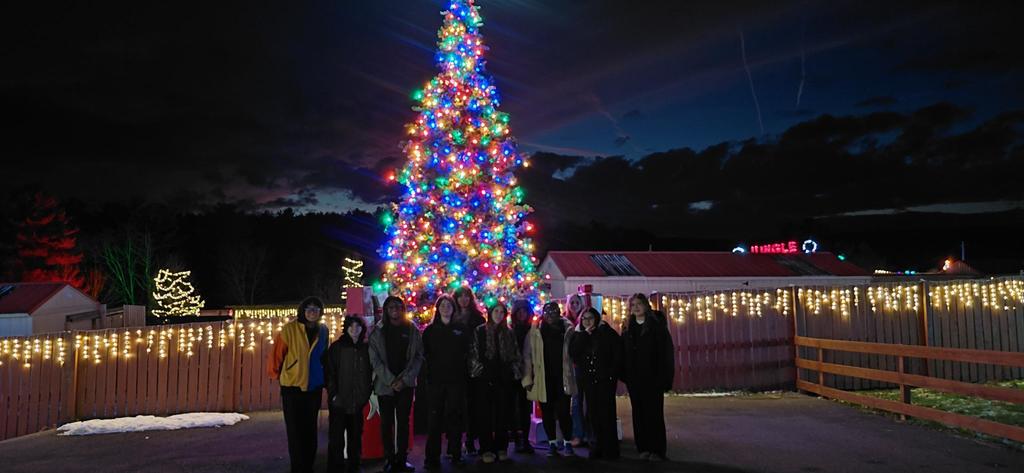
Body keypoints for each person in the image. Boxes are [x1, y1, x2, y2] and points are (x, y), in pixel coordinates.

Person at [268, 296, 330, 473]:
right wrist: (276, 374)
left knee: (310, 429)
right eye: (308, 308)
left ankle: (309, 466)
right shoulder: (289, 329)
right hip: (292, 388)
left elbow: (324, 357)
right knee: (295, 431)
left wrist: (324, 378)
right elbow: (277, 354)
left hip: (313, 387)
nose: (312, 312)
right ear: (302, 311)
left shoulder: (323, 331)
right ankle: (298, 467)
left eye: (316, 309)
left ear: (320, 312)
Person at [368, 296, 424, 473]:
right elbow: (374, 359)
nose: (395, 310)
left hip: (406, 385)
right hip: (385, 385)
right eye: (391, 307)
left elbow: (418, 357)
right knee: (386, 423)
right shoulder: (378, 332)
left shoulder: (412, 329)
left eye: (399, 307)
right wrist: (391, 380)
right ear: (385, 310)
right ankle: (389, 458)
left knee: (403, 422)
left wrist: (404, 380)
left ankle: (401, 459)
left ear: (403, 309)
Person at [621, 293, 674, 462]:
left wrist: (665, 377)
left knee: (654, 414)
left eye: (639, 304)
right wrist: (626, 374)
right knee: (639, 413)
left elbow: (666, 353)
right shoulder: (628, 327)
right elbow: (623, 352)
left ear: (646, 306)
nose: (636, 307)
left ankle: (657, 450)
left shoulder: (656, 326)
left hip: (653, 378)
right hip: (635, 379)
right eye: (633, 305)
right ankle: (643, 448)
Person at [468, 302, 522, 464]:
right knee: (485, 415)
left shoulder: (509, 332)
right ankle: (486, 449)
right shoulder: (480, 331)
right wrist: (480, 371)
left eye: (501, 312)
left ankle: (501, 447)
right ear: (490, 313)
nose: (498, 314)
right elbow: (474, 354)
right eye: (496, 311)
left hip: (504, 379)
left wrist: (514, 371)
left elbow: (515, 354)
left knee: (503, 415)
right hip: (485, 379)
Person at [421, 295, 471, 470]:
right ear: (437, 308)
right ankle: (431, 457)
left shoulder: (462, 330)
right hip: (436, 382)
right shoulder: (429, 331)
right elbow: (424, 355)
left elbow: (468, 353)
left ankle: (456, 454)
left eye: (448, 305)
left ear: (453, 308)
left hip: (456, 381)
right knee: (434, 419)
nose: (445, 308)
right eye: (442, 305)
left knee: (455, 418)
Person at [520, 301, 575, 457]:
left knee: (564, 411)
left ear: (559, 314)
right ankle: (552, 443)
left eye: (554, 312)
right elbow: (527, 355)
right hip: (543, 378)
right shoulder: (535, 331)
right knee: (547, 412)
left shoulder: (567, 330)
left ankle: (567, 442)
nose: (551, 316)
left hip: (563, 376)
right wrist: (527, 379)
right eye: (548, 313)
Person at [569, 308, 622, 460]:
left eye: (590, 318)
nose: (587, 321)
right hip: (589, 381)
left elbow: (617, 353)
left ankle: (610, 448)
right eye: (584, 318)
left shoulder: (607, 333)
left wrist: (612, 374)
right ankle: (597, 446)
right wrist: (584, 335)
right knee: (593, 414)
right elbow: (573, 353)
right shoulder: (579, 335)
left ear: (596, 318)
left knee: (607, 413)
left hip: (605, 380)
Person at [322, 316, 373, 473]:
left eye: (357, 326)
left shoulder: (366, 348)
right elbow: (329, 372)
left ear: (361, 329)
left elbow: (370, 372)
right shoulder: (337, 347)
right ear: (346, 328)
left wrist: (365, 394)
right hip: (339, 401)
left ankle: (354, 466)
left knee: (355, 437)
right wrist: (334, 395)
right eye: (351, 326)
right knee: (336, 438)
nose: (354, 329)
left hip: (357, 401)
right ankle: (335, 467)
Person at [452, 286, 485, 455]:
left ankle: (471, 439)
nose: (464, 299)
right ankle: (455, 443)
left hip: (474, 366)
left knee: (473, 405)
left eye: (467, 296)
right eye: (460, 296)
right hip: (456, 366)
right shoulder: (451, 317)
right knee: (456, 405)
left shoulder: (478, 318)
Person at [508, 301, 535, 454]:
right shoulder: (510, 330)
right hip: (512, 374)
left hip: (527, 373)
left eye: (524, 311)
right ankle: (517, 439)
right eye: (519, 312)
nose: (522, 314)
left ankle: (525, 439)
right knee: (513, 407)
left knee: (525, 408)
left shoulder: (533, 330)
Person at [564, 294, 589, 448]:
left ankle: (590, 434)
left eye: (576, 302)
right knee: (575, 402)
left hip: (585, 365)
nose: (574, 305)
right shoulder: (565, 322)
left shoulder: (587, 319)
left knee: (589, 401)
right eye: (571, 302)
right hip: (571, 367)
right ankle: (578, 434)